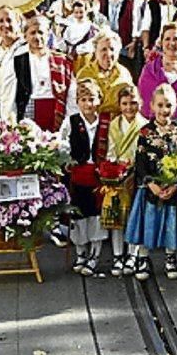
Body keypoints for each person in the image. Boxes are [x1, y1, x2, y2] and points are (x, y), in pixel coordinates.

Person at [125, 85, 177, 281]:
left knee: (171, 224)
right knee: (148, 223)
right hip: (150, 188)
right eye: (160, 105)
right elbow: (141, 163)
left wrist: (175, 183)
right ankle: (142, 258)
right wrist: (151, 183)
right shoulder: (145, 132)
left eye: (168, 105)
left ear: (175, 107)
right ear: (152, 106)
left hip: (171, 188)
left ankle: (170, 258)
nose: (164, 110)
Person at [60, 79, 108, 276]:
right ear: (78, 102)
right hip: (78, 175)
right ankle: (81, 253)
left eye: (92, 99)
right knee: (78, 215)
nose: (88, 104)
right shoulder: (71, 121)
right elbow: (62, 143)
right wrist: (67, 159)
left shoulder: (105, 123)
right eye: (84, 100)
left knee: (95, 216)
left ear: (99, 100)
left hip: (97, 175)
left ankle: (95, 255)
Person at [104, 85, 147, 276]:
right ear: (119, 105)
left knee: (134, 216)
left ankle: (132, 253)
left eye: (133, 103)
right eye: (125, 104)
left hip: (136, 175)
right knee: (117, 217)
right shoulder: (114, 124)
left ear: (140, 103)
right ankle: (117, 254)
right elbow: (111, 150)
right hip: (118, 176)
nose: (129, 108)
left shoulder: (144, 125)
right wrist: (114, 166)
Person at [9, 16, 76, 131]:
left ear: (48, 34)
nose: (37, 37)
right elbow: (11, 93)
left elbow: (71, 91)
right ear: (25, 36)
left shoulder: (62, 60)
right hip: (29, 108)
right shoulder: (18, 61)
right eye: (32, 33)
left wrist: (70, 118)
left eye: (41, 32)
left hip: (56, 108)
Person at [74, 29, 134, 116]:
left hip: (118, 125)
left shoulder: (124, 74)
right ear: (95, 52)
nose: (109, 54)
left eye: (112, 49)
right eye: (103, 49)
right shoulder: (84, 74)